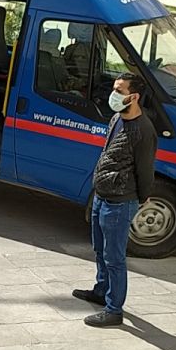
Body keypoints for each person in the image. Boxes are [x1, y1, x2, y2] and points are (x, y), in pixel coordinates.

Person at [72, 73, 156, 328]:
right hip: (101, 196)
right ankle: (101, 291)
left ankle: (114, 309)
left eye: (120, 90)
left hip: (120, 202)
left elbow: (145, 170)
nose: (114, 94)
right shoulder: (116, 118)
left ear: (134, 96)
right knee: (100, 249)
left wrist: (141, 198)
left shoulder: (143, 131)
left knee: (115, 257)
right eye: (115, 89)